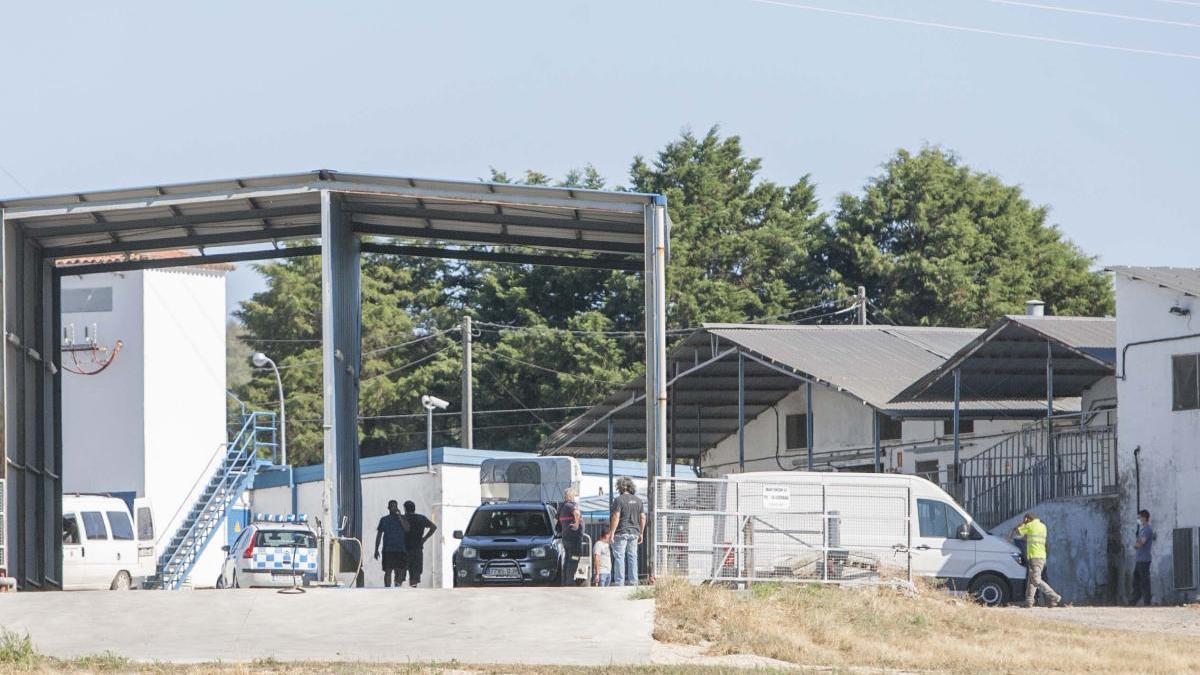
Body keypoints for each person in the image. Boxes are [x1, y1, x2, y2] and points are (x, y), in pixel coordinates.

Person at [1010, 512, 1062, 608]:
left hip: (1034, 557)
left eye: (1025, 520)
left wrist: (1022, 523)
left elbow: (1017, 532)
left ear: (1027, 519)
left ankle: (1055, 597)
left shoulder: (1030, 525)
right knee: (1032, 580)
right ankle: (1029, 601)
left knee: (1036, 580)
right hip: (1041, 556)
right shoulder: (1043, 526)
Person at [608, 476, 645, 587]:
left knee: (619, 556)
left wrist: (612, 532)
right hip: (634, 532)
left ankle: (620, 582)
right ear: (631, 487)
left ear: (619, 487)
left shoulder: (618, 500)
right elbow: (643, 517)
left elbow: (616, 516)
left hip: (621, 532)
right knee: (632, 556)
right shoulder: (638, 501)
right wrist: (641, 533)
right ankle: (633, 581)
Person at [401, 500, 437, 587]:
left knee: (400, 574)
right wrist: (424, 538)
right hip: (417, 548)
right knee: (415, 574)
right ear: (414, 508)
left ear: (405, 509)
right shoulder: (421, 518)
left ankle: (398, 591)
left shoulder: (402, 518)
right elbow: (433, 527)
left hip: (403, 548)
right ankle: (413, 591)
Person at [374, 500, 409, 588]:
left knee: (399, 571)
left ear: (397, 507)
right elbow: (379, 535)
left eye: (395, 506)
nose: (393, 508)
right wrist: (376, 549)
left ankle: (397, 587)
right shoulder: (384, 519)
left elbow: (407, 529)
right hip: (388, 549)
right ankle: (387, 588)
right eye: (391, 506)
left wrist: (400, 516)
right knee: (388, 571)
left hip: (400, 549)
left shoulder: (403, 518)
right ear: (388, 508)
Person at [557, 487, 584, 586]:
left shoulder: (562, 506)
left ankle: (566, 580)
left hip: (567, 536)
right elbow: (577, 513)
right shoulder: (570, 505)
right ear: (572, 496)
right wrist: (577, 525)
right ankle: (570, 580)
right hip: (574, 537)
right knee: (575, 557)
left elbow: (557, 519)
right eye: (576, 495)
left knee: (568, 558)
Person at [1130, 509, 1155, 606]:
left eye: (1139, 517)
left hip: (1144, 560)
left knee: (1144, 582)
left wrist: (1136, 545)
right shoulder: (1142, 529)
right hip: (1139, 559)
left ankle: (1147, 602)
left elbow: (1142, 542)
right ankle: (1133, 601)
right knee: (1136, 581)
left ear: (1144, 518)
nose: (1138, 520)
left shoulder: (1147, 529)